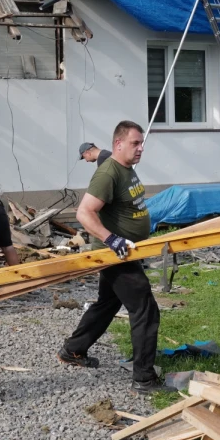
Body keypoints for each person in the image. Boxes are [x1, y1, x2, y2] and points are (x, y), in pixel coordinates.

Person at [60, 121, 161, 394]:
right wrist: (111, 239)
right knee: (145, 309)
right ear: (118, 144)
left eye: (141, 143)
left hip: (128, 250)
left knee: (107, 303)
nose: (141, 148)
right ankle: (144, 379)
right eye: (135, 143)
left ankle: (74, 349)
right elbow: (84, 213)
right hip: (115, 254)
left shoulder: (126, 168)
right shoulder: (108, 173)